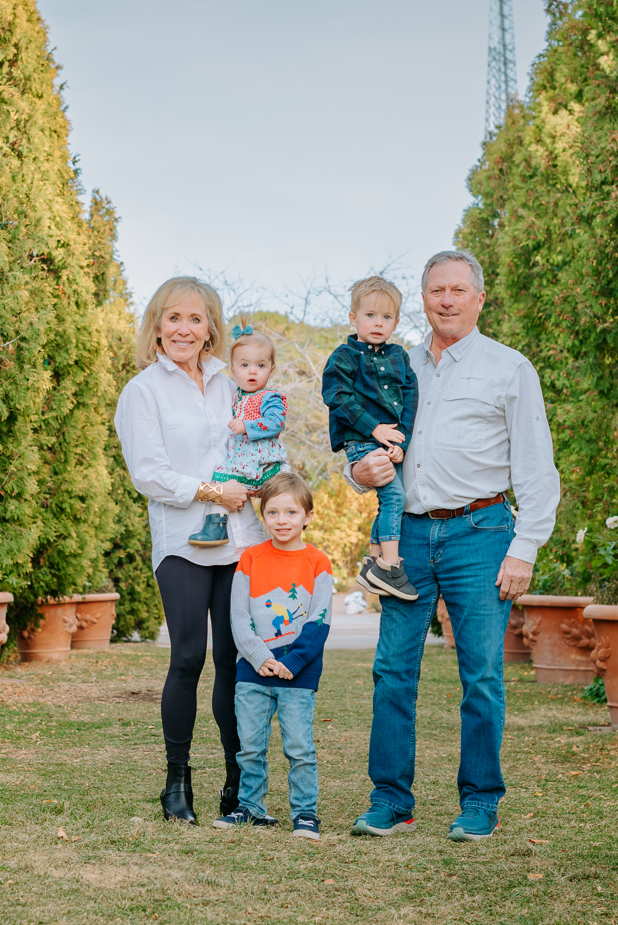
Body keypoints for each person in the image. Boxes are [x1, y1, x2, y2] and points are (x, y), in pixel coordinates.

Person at [347, 250, 559, 842]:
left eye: (458, 290)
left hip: (481, 533)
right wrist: (356, 473)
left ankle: (480, 801)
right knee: (392, 669)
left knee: (482, 674)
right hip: (406, 535)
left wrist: (525, 549)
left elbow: (537, 467)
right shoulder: (393, 364)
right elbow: (365, 441)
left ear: (479, 298)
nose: (446, 299)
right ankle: (390, 799)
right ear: (422, 298)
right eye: (436, 289)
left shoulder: (508, 368)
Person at [114, 276, 261, 824]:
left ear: (210, 329)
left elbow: (257, 445)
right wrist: (210, 491)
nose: (183, 328)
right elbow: (148, 474)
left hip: (241, 539)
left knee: (233, 659)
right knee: (187, 658)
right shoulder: (143, 391)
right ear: (156, 327)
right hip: (181, 542)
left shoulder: (232, 385)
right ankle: (177, 781)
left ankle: (238, 780)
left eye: (195, 319)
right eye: (173, 318)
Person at [216, 471, 332, 840]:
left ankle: (305, 813)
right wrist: (257, 656)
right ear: (262, 516)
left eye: (291, 513)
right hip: (253, 670)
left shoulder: (318, 562)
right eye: (273, 513)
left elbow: (319, 620)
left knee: (298, 747)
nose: (282, 521)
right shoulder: (250, 558)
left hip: (299, 672)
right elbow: (238, 617)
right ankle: (250, 807)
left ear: (307, 517)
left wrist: (293, 662)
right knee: (250, 745)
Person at [321, 276, 419, 600]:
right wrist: (374, 429)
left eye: (386, 317)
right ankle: (390, 566)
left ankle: (374, 561)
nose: (378, 323)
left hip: (389, 440)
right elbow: (337, 397)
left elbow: (410, 397)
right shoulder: (344, 357)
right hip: (361, 438)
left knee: (390, 498)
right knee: (394, 498)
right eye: (370, 315)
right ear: (354, 318)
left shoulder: (399, 357)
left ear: (396, 322)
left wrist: (400, 444)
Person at [189, 327, 289, 548]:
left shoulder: (269, 397)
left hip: (266, 462)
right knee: (220, 481)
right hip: (240, 462)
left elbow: (276, 422)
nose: (252, 372)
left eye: (260, 366)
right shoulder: (235, 395)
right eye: (245, 365)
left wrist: (246, 425)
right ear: (233, 369)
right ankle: (215, 526)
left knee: (283, 495)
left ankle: (284, 537)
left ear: (271, 370)